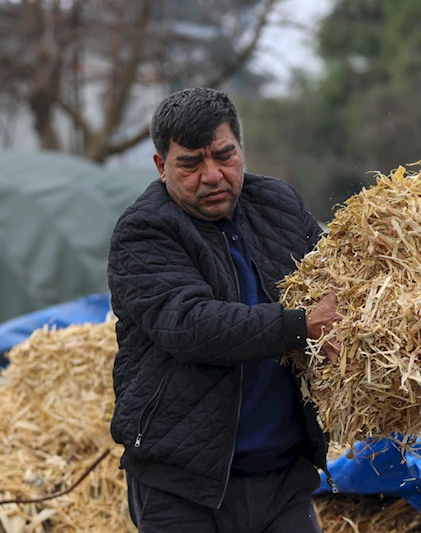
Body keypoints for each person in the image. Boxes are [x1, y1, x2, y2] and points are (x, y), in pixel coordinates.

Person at [107, 87, 340, 533]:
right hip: (184, 488)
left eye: (223, 155)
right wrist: (301, 324)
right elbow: (191, 325)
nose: (212, 175)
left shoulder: (277, 205)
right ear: (161, 167)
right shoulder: (143, 232)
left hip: (282, 476)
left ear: (240, 149)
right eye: (190, 164)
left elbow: (342, 274)